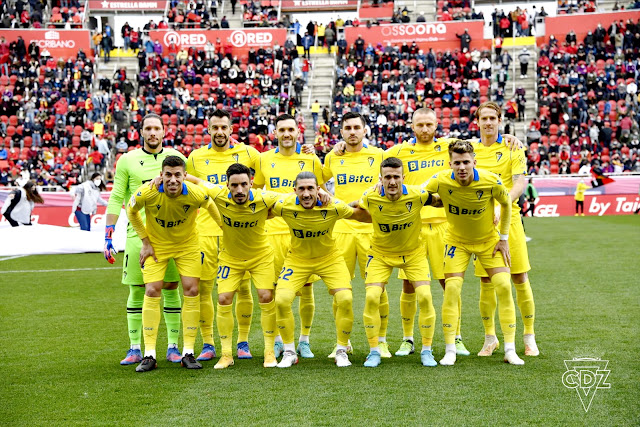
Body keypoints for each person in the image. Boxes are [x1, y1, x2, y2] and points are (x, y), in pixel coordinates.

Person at [423, 140, 524, 366]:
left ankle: (509, 349)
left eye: (466, 162)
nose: (461, 167)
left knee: (505, 286)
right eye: (457, 163)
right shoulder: (440, 179)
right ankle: (450, 350)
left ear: (474, 162)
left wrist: (504, 238)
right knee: (452, 289)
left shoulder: (490, 180)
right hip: (456, 242)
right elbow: (418, 194)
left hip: (488, 241)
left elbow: (506, 204)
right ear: (450, 163)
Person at [104, 113, 187, 366]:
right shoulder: (127, 160)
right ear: (141, 132)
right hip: (137, 235)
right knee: (138, 289)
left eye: (157, 128)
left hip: (171, 235)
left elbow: (191, 190)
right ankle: (135, 348)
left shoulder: (177, 158)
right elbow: (117, 196)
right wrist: (108, 234)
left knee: (171, 287)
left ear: (164, 132)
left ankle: (173, 346)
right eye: (148, 128)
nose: (153, 133)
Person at [127, 156, 221, 372]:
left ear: (184, 176)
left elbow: (211, 205)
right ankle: (149, 354)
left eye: (177, 175)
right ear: (161, 175)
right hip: (157, 245)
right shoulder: (147, 191)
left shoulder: (196, 193)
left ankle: (188, 352)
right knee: (151, 290)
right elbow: (131, 210)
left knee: (192, 289)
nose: (172, 179)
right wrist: (145, 241)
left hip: (187, 245)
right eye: (168, 174)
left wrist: (224, 230)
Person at [189, 163, 281, 369]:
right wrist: (158, 181)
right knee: (223, 298)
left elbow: (292, 199)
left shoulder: (264, 197)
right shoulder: (219, 194)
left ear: (251, 184)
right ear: (227, 185)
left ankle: (268, 352)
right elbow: (193, 179)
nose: (239, 190)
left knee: (266, 296)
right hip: (230, 258)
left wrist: (320, 192)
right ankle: (227, 355)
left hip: (261, 256)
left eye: (244, 184)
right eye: (234, 185)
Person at [186, 109, 260, 361]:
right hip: (205, 233)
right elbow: (184, 184)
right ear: (208, 130)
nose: (219, 132)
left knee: (243, 289)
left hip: (238, 233)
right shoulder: (195, 157)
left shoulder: (249, 154)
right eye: (214, 127)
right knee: (205, 289)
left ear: (231, 129)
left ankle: (243, 342)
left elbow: (267, 177)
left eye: (224, 127)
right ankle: (208, 343)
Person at [273, 172, 369, 368]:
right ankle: (290, 351)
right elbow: (258, 208)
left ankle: (342, 350)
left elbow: (362, 216)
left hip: (329, 259)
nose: (306, 194)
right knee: (282, 300)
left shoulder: (333, 205)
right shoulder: (284, 204)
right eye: (302, 189)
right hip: (297, 260)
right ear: (294, 191)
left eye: (311, 188)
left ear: (319, 189)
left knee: (345, 299)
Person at [356, 157, 439, 368]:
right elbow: (354, 207)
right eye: (387, 177)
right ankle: (374, 350)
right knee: (372, 297)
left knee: (425, 297)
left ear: (403, 177)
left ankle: (427, 350)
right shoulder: (370, 195)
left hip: (413, 254)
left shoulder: (418, 194)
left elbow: (439, 200)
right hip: (380, 254)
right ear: (380, 179)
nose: (392, 182)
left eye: (396, 177)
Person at [253, 114, 324, 359]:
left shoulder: (310, 159)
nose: (286, 134)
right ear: (275, 132)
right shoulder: (263, 159)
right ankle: (277, 339)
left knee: (306, 288)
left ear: (298, 132)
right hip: (273, 233)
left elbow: (321, 192)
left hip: (304, 232)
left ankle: (304, 339)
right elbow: (257, 192)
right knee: (273, 290)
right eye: (281, 129)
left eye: (290, 129)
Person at [473, 101, 539, 357]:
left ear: (499, 121)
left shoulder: (513, 147)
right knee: (486, 281)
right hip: (482, 224)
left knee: (519, 277)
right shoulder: (471, 150)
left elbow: (520, 183)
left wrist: (503, 203)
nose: (488, 122)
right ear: (477, 122)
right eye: (484, 118)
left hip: (509, 220)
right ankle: (490, 338)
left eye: (493, 118)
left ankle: (529, 336)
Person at [321, 112, 385, 358]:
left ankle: (381, 342)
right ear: (341, 132)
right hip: (342, 229)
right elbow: (317, 181)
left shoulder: (379, 155)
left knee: (377, 289)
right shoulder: (333, 157)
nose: (352, 131)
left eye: (357, 127)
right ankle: (342, 343)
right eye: (347, 127)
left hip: (372, 229)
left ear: (365, 130)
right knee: (339, 289)